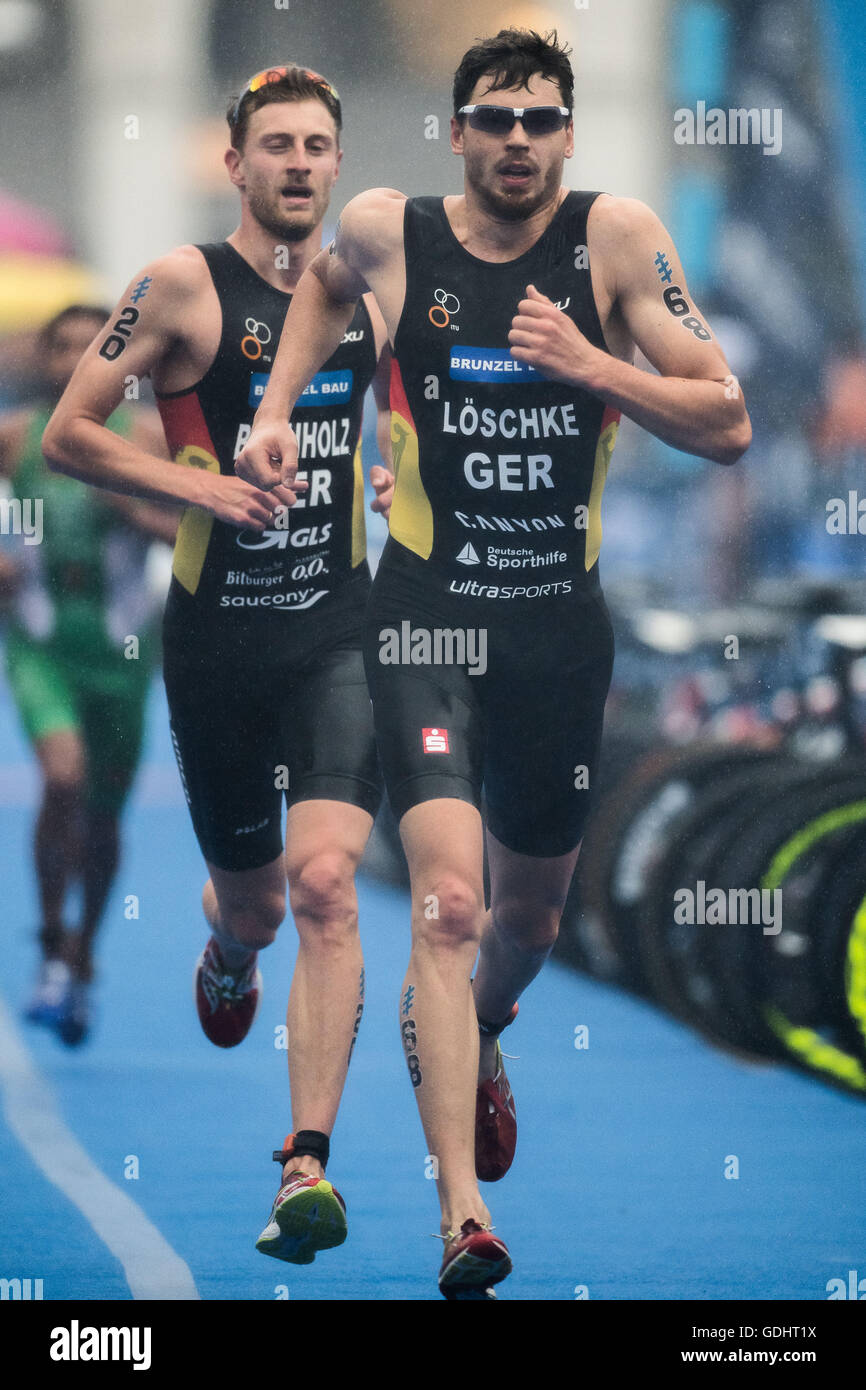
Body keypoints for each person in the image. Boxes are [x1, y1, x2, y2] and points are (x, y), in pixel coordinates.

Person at [236, 29, 752, 1298]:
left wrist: (587, 364)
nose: (515, 139)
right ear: (457, 135)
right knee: (449, 907)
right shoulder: (386, 230)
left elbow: (728, 419)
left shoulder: (616, 240)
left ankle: (489, 1025)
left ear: (566, 135)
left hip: (557, 634)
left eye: (537, 119)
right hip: (423, 622)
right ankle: (459, 1216)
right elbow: (320, 289)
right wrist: (273, 413)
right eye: (491, 119)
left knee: (524, 922)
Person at [42, 65, 394, 1265]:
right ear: (234, 164)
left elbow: (393, 417)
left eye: (315, 146)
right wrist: (202, 485)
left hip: (339, 630)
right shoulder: (181, 287)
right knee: (255, 900)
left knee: (329, 883)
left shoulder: (368, 288)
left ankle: (304, 1162)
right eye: (274, 146)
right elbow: (69, 433)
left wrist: (394, 468)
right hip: (219, 644)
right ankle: (229, 946)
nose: (298, 163)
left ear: (336, 165)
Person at [0, 303, 176, 1045]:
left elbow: (195, 526)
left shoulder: (147, 440)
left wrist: (132, 508)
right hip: (42, 639)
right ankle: (47, 941)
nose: (76, 358)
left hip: (125, 648)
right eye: (62, 346)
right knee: (63, 779)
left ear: (120, 356)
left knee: (103, 814)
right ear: (44, 359)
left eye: (93, 346)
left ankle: (85, 954)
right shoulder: (15, 438)